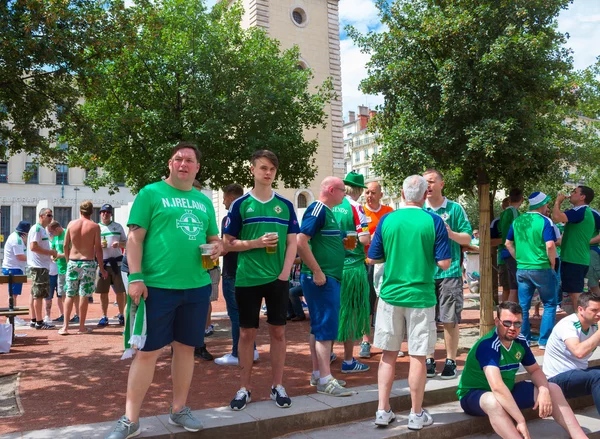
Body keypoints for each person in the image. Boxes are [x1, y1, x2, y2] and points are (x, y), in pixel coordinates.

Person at [105, 141, 221, 439]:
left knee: (185, 350)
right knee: (146, 352)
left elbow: (212, 239)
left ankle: (179, 408)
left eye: (190, 161)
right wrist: (136, 277)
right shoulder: (151, 193)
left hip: (196, 286)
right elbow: (135, 238)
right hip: (156, 287)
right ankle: (130, 419)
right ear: (170, 163)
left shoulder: (203, 200)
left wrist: (218, 246)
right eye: (178, 159)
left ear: (197, 168)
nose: (184, 164)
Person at [369, 175, 451, 429]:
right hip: (421, 296)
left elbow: (373, 258)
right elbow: (444, 263)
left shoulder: (387, 219)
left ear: (402, 195)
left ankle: (382, 410)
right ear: (426, 194)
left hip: (391, 295)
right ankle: (416, 414)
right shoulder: (434, 221)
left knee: (388, 355)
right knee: (417, 355)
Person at [223, 150, 299, 411]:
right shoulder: (240, 204)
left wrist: (285, 272)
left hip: (277, 278)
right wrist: (256, 243)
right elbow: (227, 244)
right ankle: (244, 388)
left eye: (272, 169)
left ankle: (277, 385)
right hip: (247, 278)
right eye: (263, 168)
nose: (268, 173)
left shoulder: (286, 205)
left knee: (278, 332)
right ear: (253, 170)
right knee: (247, 333)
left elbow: (292, 242)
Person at [457, 302, 588, 439]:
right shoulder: (488, 346)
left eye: (517, 324)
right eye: (507, 323)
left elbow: (535, 370)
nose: (512, 328)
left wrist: (544, 390)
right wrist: (520, 420)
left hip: (508, 390)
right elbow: (497, 388)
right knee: (492, 401)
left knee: (553, 388)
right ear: (497, 322)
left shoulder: (520, 341)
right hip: (474, 396)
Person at [297, 176, 352, 397]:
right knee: (325, 328)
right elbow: (301, 240)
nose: (344, 194)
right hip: (322, 278)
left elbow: (319, 241)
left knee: (318, 327)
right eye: (342, 190)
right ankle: (326, 380)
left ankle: (319, 374)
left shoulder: (325, 211)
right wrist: (318, 271)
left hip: (326, 277)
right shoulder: (317, 209)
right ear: (331, 189)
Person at [423, 169, 472, 379]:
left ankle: (451, 360)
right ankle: (428, 359)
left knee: (449, 319)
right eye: (424, 182)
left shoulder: (454, 209)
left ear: (442, 184)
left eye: (432, 182)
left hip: (449, 272)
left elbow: (467, 238)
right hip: (424, 272)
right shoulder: (419, 210)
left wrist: (450, 233)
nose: (428, 186)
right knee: (425, 319)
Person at [214, 183, 260, 366]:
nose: (224, 202)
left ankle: (238, 352)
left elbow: (226, 246)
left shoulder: (230, 217)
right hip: (250, 271)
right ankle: (251, 350)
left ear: (231, 198)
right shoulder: (253, 216)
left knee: (236, 315)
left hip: (233, 272)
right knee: (247, 314)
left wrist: (215, 248)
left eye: (225, 198)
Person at [505, 192, 557, 348]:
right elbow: (550, 245)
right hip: (541, 267)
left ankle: (525, 339)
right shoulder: (545, 221)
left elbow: (508, 243)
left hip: (522, 268)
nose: (547, 206)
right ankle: (544, 341)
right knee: (549, 304)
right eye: (547, 204)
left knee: (524, 306)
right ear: (542, 204)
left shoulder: (518, 221)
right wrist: (552, 263)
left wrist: (519, 259)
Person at [332, 171, 371, 373]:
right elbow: (364, 239)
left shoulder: (331, 206)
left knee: (332, 312)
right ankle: (348, 360)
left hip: (331, 267)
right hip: (353, 267)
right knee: (351, 314)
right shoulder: (356, 208)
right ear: (357, 189)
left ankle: (328, 353)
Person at [543, 292, 600, 415]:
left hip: (578, 376)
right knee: (597, 377)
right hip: (556, 380)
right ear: (581, 309)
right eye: (594, 310)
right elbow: (579, 352)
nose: (599, 314)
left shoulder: (594, 325)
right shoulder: (568, 324)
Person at [60, 201, 108, 335]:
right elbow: (98, 248)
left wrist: (68, 260)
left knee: (69, 294)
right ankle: (81, 327)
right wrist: (102, 268)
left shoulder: (71, 224)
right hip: (88, 263)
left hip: (73, 262)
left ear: (80, 211)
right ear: (92, 212)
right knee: (84, 295)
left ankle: (65, 327)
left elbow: (65, 245)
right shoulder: (94, 226)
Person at [553, 186, 600, 309]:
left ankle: (581, 323)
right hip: (575, 258)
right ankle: (579, 321)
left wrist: (558, 202)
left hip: (575, 259)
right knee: (574, 293)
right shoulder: (580, 212)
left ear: (582, 197)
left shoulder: (581, 210)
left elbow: (557, 218)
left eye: (575, 192)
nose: (571, 194)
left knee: (576, 294)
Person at [362, 181, 393, 358]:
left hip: (386, 262)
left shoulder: (389, 212)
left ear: (381, 194)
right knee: (367, 301)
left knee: (386, 302)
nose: (369, 196)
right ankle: (366, 341)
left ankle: (387, 342)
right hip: (366, 262)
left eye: (373, 192)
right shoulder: (360, 212)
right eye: (367, 192)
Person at [96, 204, 127, 327]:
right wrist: (98, 246)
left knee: (120, 291)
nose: (105, 214)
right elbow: (91, 246)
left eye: (108, 212)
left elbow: (126, 242)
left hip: (117, 263)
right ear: (100, 214)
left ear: (111, 214)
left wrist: (119, 244)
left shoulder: (118, 226)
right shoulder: (96, 228)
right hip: (103, 263)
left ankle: (121, 314)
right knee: (103, 292)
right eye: (103, 212)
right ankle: (104, 316)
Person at [27, 208, 58, 330]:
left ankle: (34, 319)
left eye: (51, 215)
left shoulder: (42, 229)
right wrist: (50, 252)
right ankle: (39, 321)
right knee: (38, 295)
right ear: (41, 216)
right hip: (38, 267)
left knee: (35, 294)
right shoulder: (37, 229)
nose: (51, 218)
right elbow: (33, 247)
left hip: (41, 266)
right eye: (48, 215)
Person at [498, 189, 524, 304]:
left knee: (513, 287)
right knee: (520, 285)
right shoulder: (513, 212)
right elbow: (517, 231)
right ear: (522, 199)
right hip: (512, 251)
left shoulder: (503, 213)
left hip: (506, 252)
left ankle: (508, 315)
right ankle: (518, 316)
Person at [2, 221, 30, 324]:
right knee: (13, 294)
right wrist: (32, 258)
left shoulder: (15, 237)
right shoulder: (17, 240)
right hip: (13, 269)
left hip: (13, 268)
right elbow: (20, 256)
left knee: (13, 294)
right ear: (25, 233)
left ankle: (12, 315)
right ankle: (12, 316)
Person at [44, 223, 60, 323]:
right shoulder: (46, 243)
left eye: (52, 232)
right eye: (49, 232)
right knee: (48, 297)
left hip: (59, 271)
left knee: (61, 295)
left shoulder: (58, 240)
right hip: (50, 273)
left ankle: (62, 314)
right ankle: (47, 315)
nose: (51, 233)